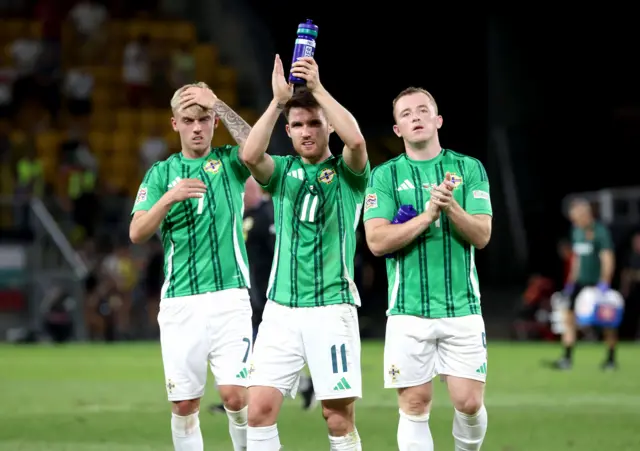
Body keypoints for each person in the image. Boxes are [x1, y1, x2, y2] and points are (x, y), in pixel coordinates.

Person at [241, 55, 369, 451]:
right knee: (258, 410)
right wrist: (278, 102)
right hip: (281, 311)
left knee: (337, 417)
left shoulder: (349, 173)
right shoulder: (281, 172)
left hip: (332, 308)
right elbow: (249, 156)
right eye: (297, 125)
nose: (306, 131)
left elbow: (358, 141)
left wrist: (316, 91)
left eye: (314, 122)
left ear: (328, 124)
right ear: (288, 130)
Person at [363, 87, 492, 451]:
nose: (415, 117)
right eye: (406, 114)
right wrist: (427, 216)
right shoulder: (385, 176)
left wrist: (451, 208)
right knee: (414, 404)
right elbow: (376, 241)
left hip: (462, 308)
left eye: (423, 110)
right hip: (407, 311)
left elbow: (482, 235)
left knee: (468, 403)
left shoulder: (468, 168)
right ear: (397, 129)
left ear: (438, 120)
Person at [129, 82, 254, 451]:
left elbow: (256, 146)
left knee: (235, 396)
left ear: (214, 121)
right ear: (175, 124)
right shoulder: (160, 173)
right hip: (181, 302)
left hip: (230, 296)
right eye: (189, 120)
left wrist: (219, 102)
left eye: (204, 118)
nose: (197, 127)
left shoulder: (231, 161)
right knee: (184, 405)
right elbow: (136, 231)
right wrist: (170, 196)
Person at [554, 199, 616, 370]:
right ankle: (567, 358)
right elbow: (577, 260)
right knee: (568, 317)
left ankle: (610, 359)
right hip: (580, 283)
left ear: (585, 214)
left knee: (607, 321)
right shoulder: (577, 232)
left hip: (597, 283)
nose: (574, 220)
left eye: (576, 216)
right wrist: (571, 282)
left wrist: (604, 282)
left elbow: (607, 259)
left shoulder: (600, 232)